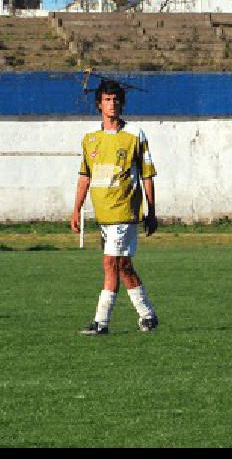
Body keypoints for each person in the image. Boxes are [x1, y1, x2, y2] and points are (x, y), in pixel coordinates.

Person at [70, 79, 159, 335]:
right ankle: (148, 315)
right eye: (108, 99)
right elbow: (85, 176)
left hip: (124, 212)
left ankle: (101, 322)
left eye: (116, 99)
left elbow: (147, 176)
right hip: (103, 215)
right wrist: (77, 209)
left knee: (110, 263)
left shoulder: (135, 135)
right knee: (123, 266)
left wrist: (151, 211)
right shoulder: (90, 139)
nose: (113, 104)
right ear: (99, 104)